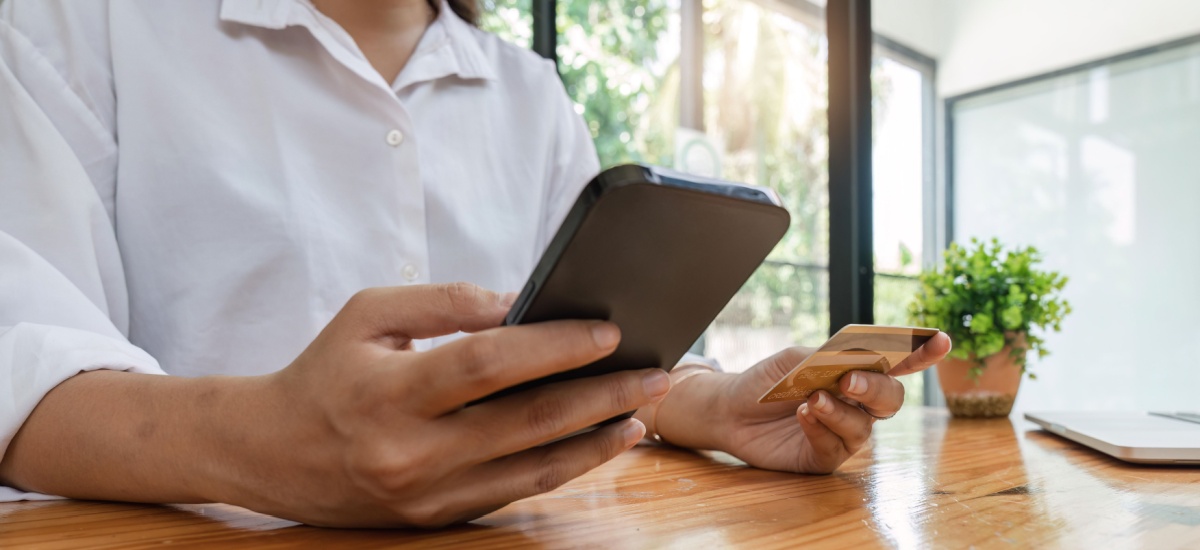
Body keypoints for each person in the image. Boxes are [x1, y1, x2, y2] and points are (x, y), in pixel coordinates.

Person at [0, 0, 950, 529]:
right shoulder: (75, 27)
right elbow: (22, 362)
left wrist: (706, 401)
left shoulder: (528, 89)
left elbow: (583, 347)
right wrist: (255, 446)